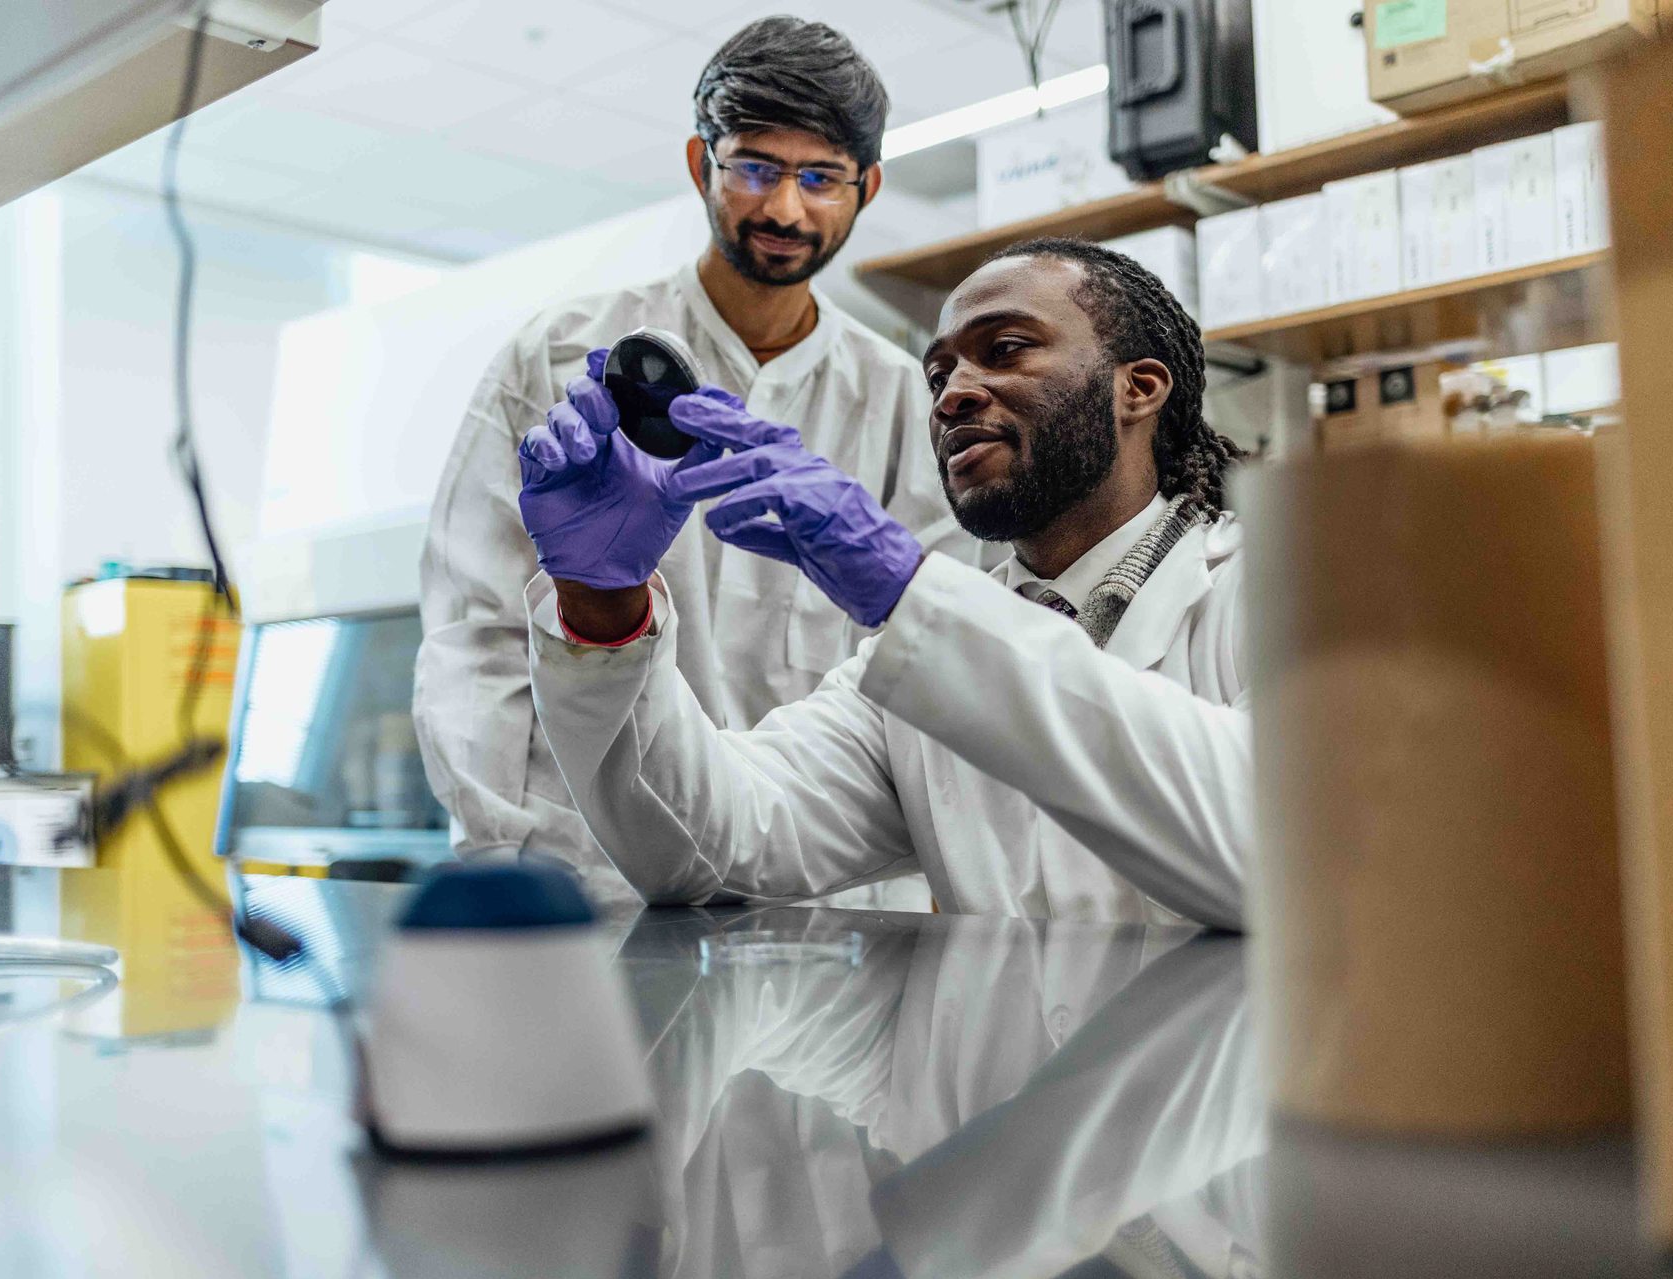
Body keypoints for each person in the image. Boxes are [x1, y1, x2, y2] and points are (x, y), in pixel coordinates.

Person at [519, 237, 1254, 927]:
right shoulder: (912, 669)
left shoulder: (1275, 593)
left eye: (1005, 350)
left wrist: (910, 594)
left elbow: (1276, 842)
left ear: (1140, 387)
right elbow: (705, 847)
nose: (952, 397)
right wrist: (602, 600)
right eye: (939, 375)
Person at [414, 18, 972, 901]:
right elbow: (473, 633)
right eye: (755, 166)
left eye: (821, 177)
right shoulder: (563, 357)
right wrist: (508, 862)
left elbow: (935, 660)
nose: (786, 208)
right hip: (595, 879)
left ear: (866, 187)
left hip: (821, 900)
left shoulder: (907, 401)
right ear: (698, 164)